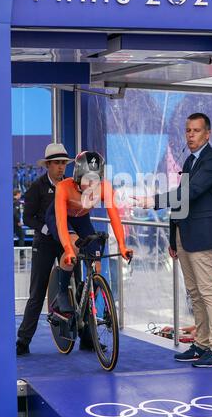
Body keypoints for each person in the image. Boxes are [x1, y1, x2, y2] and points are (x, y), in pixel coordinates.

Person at [134, 113, 212, 367]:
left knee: (209, 292)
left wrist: (153, 201)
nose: (191, 135)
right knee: (195, 294)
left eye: (196, 131)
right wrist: (173, 237)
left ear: (207, 134)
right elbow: (181, 203)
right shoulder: (190, 161)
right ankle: (201, 345)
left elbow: (190, 192)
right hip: (184, 235)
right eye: (188, 130)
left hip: (202, 236)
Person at [45, 151, 132, 344]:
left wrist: (123, 245)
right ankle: (61, 293)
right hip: (61, 217)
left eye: (96, 181)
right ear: (77, 175)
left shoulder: (104, 188)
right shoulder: (64, 187)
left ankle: (86, 298)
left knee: (97, 265)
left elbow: (114, 218)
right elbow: (60, 222)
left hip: (81, 218)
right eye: (87, 181)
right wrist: (68, 248)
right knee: (75, 249)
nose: (92, 186)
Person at [16, 143, 74, 355]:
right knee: (37, 292)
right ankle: (23, 341)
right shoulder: (37, 187)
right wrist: (45, 228)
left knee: (79, 287)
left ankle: (87, 338)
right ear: (48, 165)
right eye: (57, 163)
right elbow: (27, 217)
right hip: (45, 243)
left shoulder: (70, 185)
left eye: (64, 164)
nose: (61, 167)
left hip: (66, 242)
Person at [13, 188, 25, 258]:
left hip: (11, 223)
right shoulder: (17, 202)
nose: (20, 195)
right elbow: (14, 213)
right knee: (22, 235)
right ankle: (22, 254)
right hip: (15, 223)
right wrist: (18, 221)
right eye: (20, 194)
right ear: (17, 194)